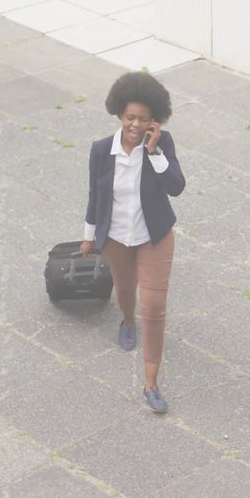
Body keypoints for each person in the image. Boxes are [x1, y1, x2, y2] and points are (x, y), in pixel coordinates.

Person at [80, 71, 185, 413]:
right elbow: (95, 195)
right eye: (130, 117)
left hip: (153, 235)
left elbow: (176, 187)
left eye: (143, 119)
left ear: (154, 120)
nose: (136, 125)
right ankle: (127, 320)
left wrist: (154, 152)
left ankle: (151, 383)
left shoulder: (161, 145)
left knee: (154, 307)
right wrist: (88, 237)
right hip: (115, 237)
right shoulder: (100, 151)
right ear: (118, 115)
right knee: (126, 292)